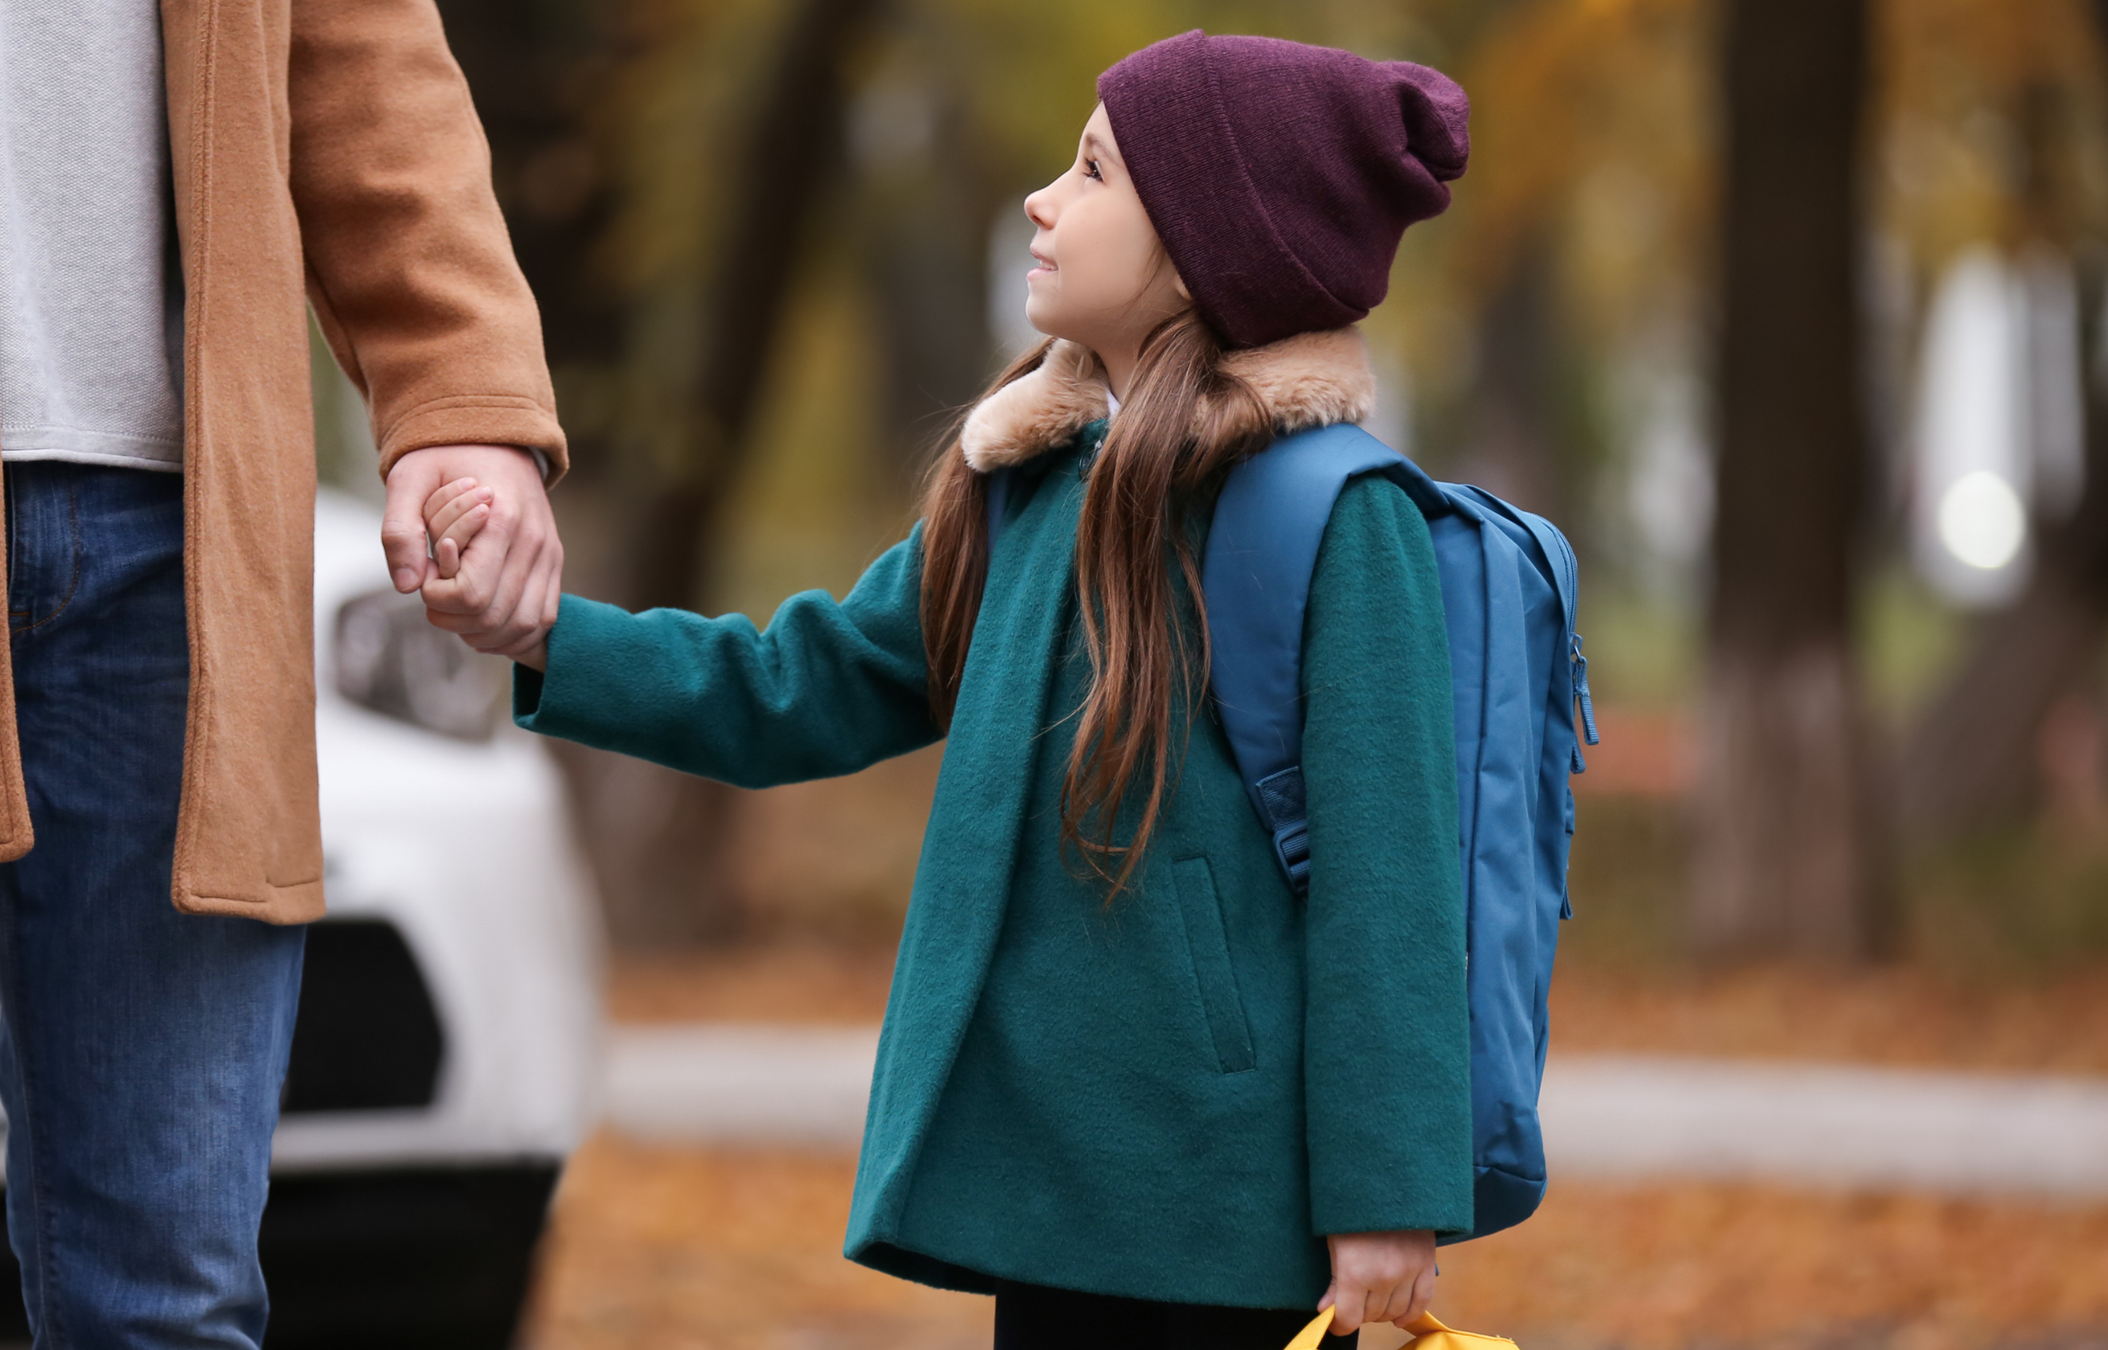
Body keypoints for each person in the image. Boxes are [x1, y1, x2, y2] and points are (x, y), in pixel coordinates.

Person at [456, 30, 1472, 1350]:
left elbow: (1388, 886)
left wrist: (1387, 1193)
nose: (1045, 201)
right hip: (1046, 1190)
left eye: (1095, 173)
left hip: (1226, 1212)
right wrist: (546, 637)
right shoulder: (1024, 489)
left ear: (1204, 243)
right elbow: (796, 685)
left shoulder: (1332, 513)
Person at [0, 0, 564, 1344]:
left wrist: (462, 385)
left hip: (181, 547)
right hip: (167, 554)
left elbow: (360, 48)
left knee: (170, 1298)